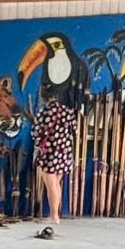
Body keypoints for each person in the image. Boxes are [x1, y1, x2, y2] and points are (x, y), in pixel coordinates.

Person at [32, 94, 78, 229]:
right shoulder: (68, 111)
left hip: (50, 152)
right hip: (64, 152)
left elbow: (35, 132)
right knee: (56, 184)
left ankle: (54, 216)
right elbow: (74, 130)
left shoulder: (45, 111)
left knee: (51, 184)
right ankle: (55, 214)